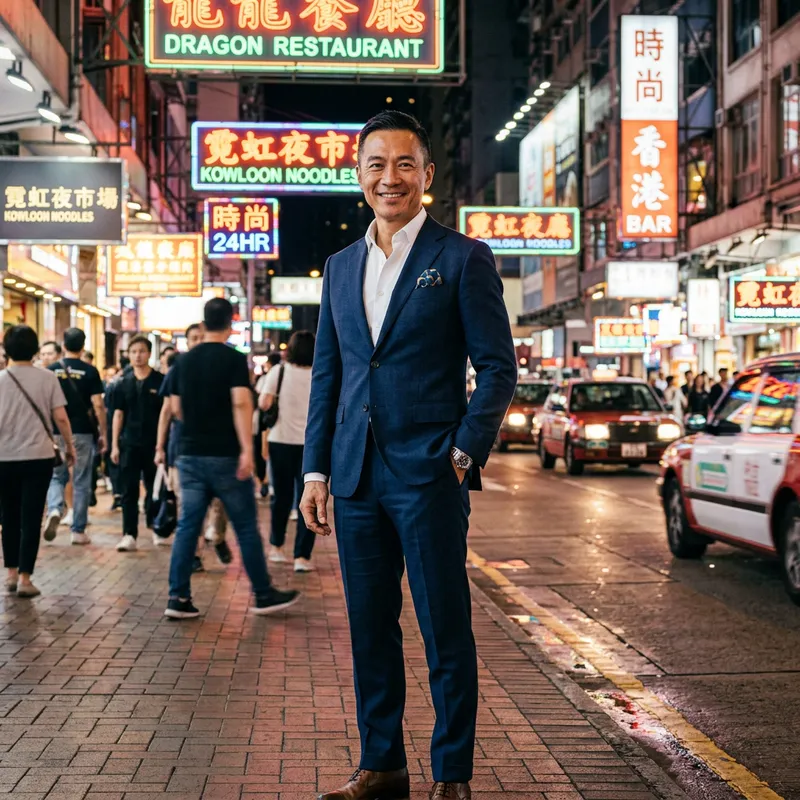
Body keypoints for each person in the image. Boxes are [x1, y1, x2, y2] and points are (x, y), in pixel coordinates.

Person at [301, 111, 517, 800]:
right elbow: (329, 378)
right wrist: (315, 469)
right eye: (375, 164)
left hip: (429, 474)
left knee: (442, 628)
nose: (388, 177)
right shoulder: (339, 267)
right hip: (356, 477)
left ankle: (451, 774)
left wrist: (462, 455)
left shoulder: (461, 257)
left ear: (427, 175)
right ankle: (383, 764)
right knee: (369, 629)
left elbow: (498, 368)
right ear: (358, 174)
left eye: (403, 165)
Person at [164, 298, 300, 620]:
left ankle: (178, 597)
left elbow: (175, 408)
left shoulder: (182, 362)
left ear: (204, 321)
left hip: (190, 454)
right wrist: (247, 451)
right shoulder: (233, 359)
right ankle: (263, 594)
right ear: (231, 322)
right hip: (226, 456)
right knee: (245, 528)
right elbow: (241, 403)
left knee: (188, 527)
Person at [0, 325, 76, 598]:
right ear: (34, 349)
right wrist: (69, 446)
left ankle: (9, 573)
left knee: (8, 516)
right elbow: (61, 418)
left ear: (6, 350)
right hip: (38, 457)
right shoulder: (47, 378)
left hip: (4, 458)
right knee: (31, 517)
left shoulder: (0, 380)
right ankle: (25, 578)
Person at [44, 328, 107, 546]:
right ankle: (78, 530)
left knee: (55, 476)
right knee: (81, 480)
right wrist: (104, 433)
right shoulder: (90, 371)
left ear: (63, 345)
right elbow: (98, 404)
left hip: (55, 430)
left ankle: (54, 508)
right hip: (82, 431)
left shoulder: (50, 370)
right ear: (83, 346)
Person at [260, 331, 316, 572]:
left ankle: (276, 547)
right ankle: (302, 557)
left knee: (280, 497)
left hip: (280, 440)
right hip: (311, 446)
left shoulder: (278, 371)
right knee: (311, 500)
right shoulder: (319, 372)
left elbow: (263, 403)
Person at [111, 335, 164, 552]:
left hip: (153, 444)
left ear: (149, 354)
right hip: (129, 443)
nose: (137, 356)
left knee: (155, 489)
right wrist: (114, 444)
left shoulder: (160, 381)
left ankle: (157, 528)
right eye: (133, 352)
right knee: (128, 490)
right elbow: (118, 415)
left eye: (141, 351)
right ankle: (129, 533)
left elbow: (165, 414)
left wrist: (162, 445)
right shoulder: (122, 383)